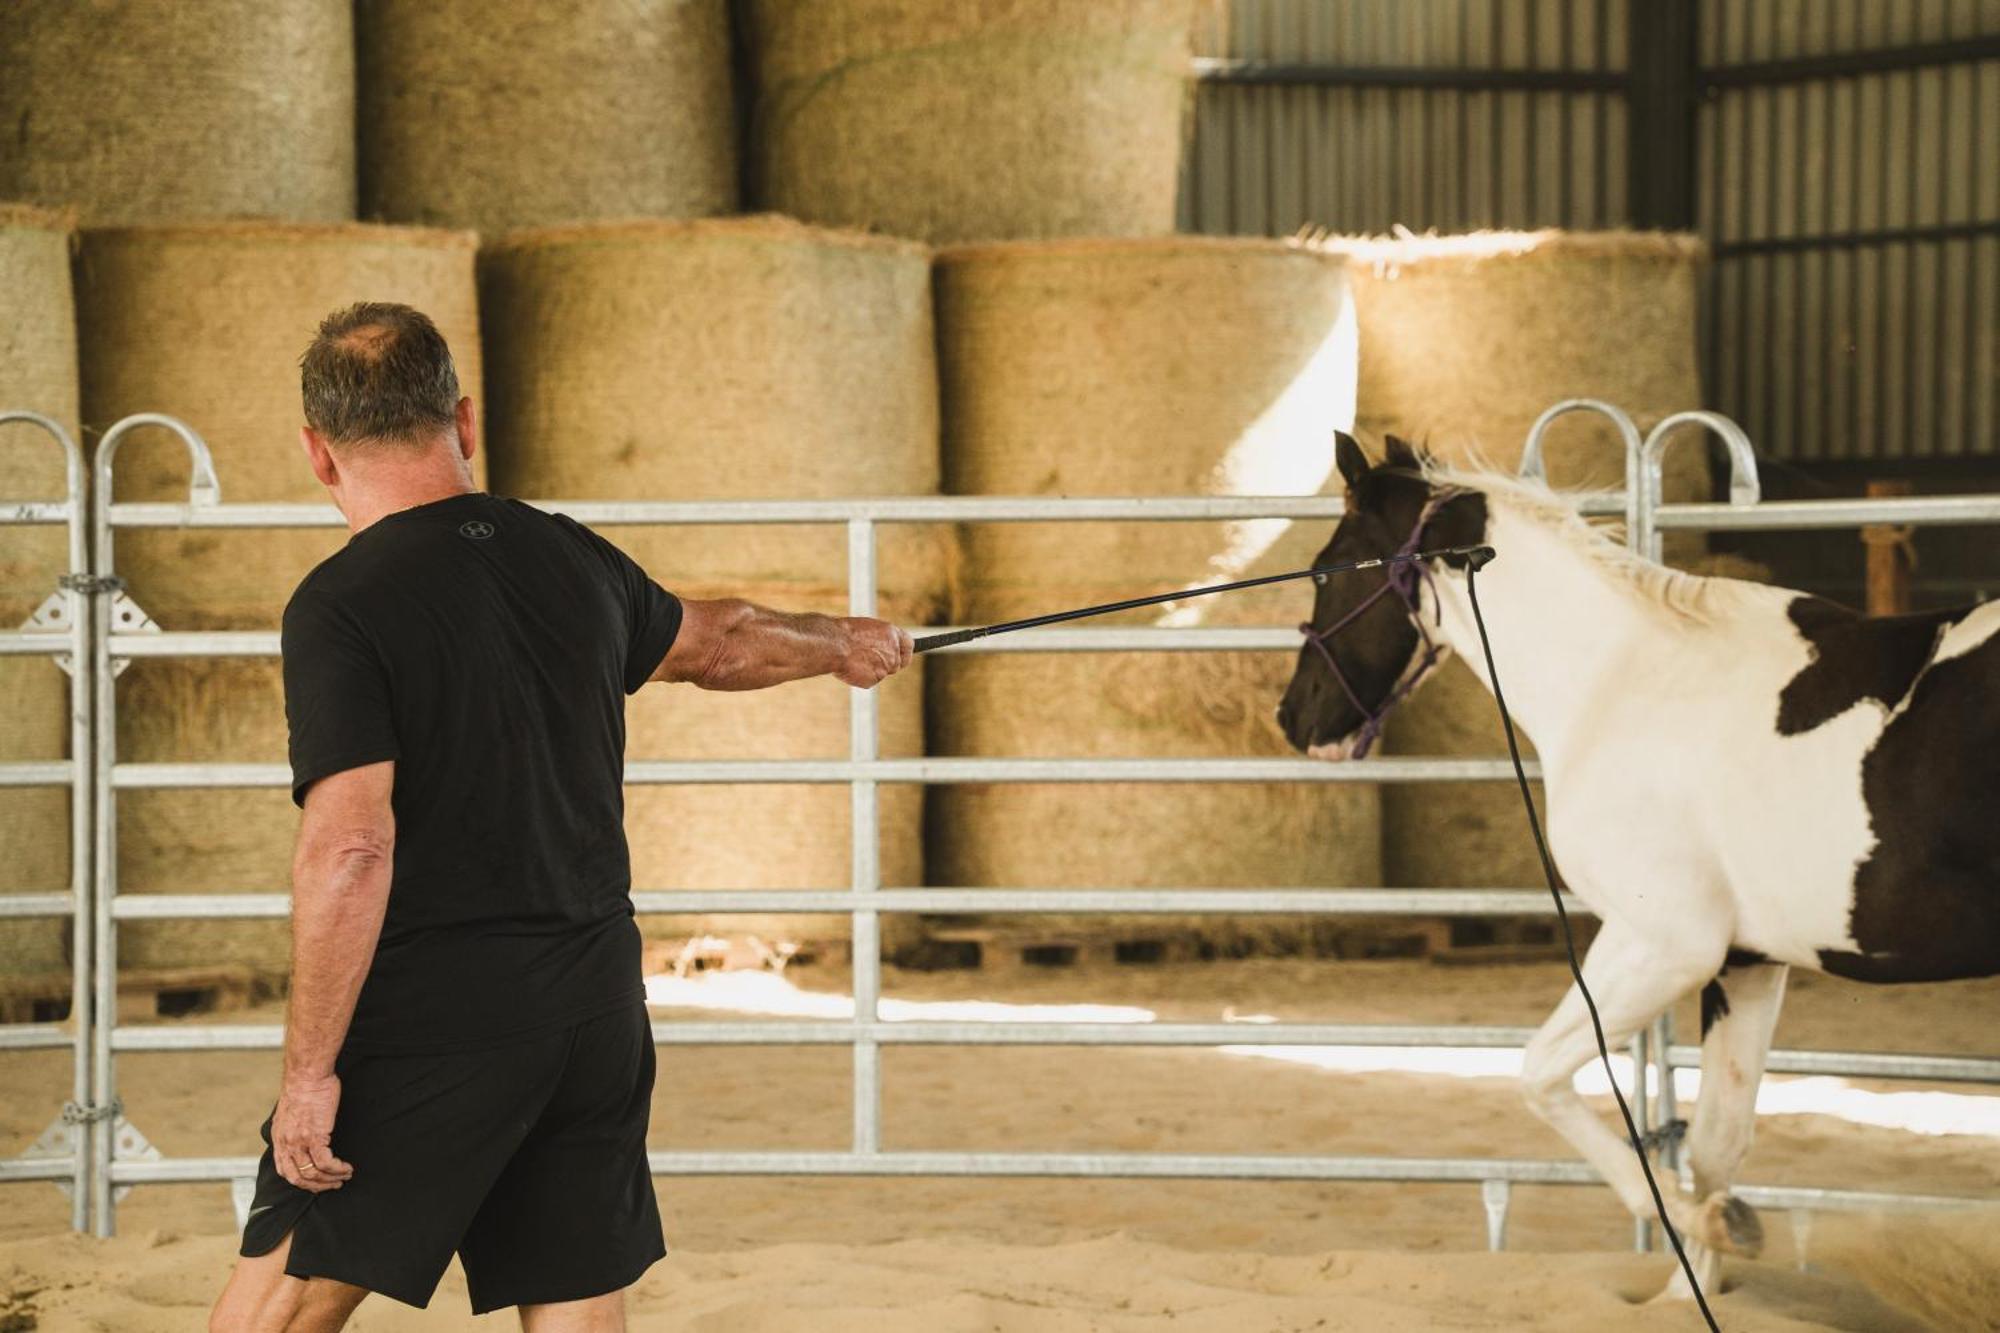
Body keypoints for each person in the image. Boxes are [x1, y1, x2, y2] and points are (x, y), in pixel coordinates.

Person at [209, 302, 912, 1332]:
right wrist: (838, 642)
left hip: (437, 1019)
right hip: (592, 1010)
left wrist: (310, 1074)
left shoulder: (342, 603)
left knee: (278, 1298)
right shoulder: (569, 558)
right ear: (465, 420)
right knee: (577, 1303)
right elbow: (718, 641)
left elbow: (353, 846)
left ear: (317, 453)